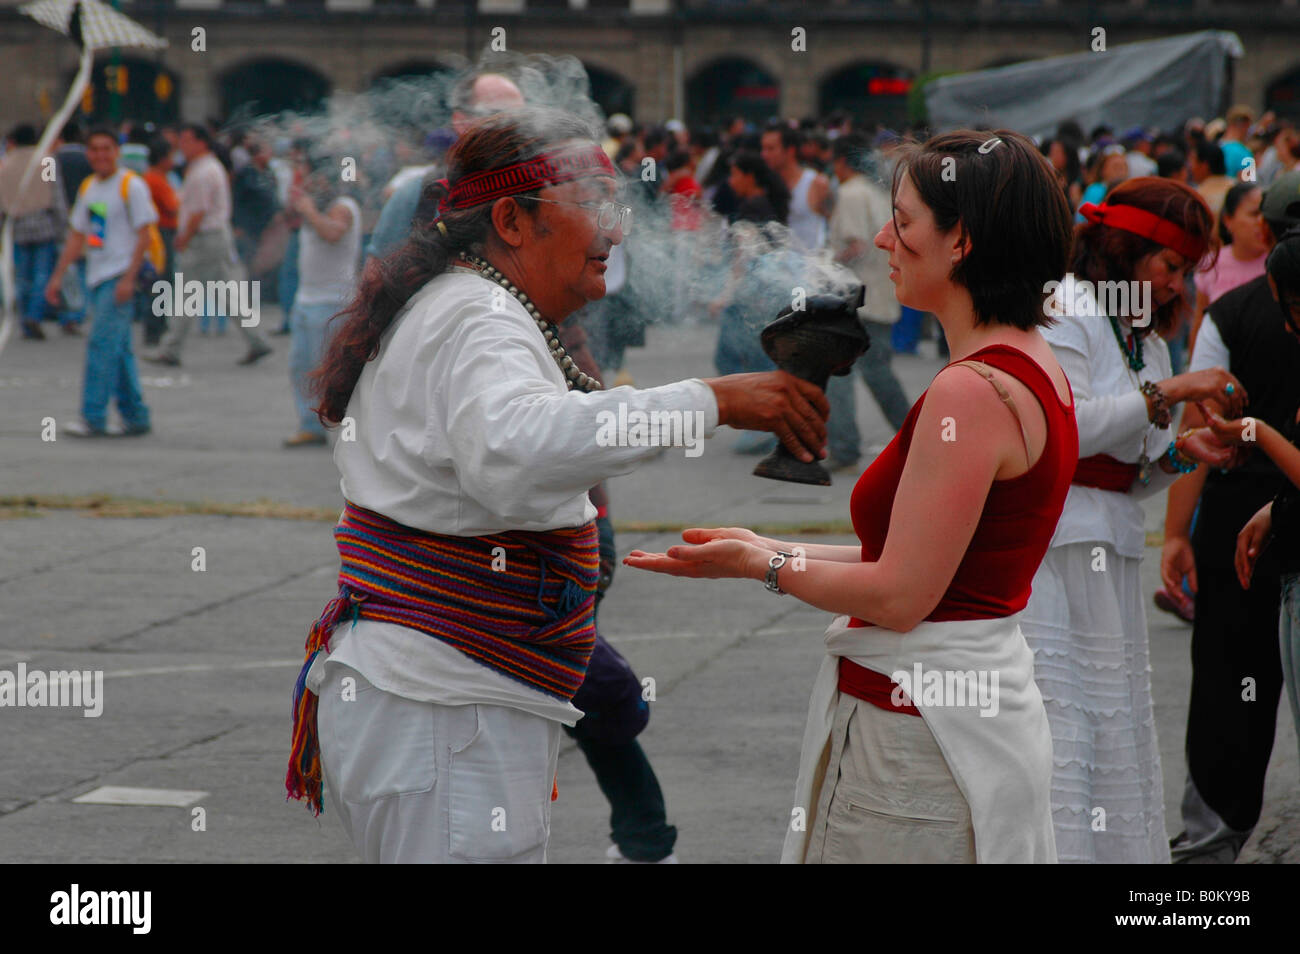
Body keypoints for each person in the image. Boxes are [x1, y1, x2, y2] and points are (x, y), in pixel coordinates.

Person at [285, 107, 831, 863]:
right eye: (592, 204)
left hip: (445, 702)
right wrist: (714, 400)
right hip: (444, 709)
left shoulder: (483, 306)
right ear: (511, 219)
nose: (616, 228)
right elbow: (517, 450)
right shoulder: (480, 316)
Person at [629, 130, 1080, 864]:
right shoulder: (1031, 362)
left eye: (902, 223)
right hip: (959, 721)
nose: (882, 238)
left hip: (917, 741)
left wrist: (761, 568)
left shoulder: (970, 389)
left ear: (961, 240)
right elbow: (915, 561)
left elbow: (900, 594)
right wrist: (765, 547)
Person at [1020, 177, 1236, 863]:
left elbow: (1127, 478)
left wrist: (1180, 455)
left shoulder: (1145, 338)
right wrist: (1170, 395)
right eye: (1170, 267)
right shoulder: (1069, 307)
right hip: (1054, 554)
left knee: (1113, 735)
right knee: (1066, 735)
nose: (1177, 286)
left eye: (1186, 273)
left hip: (1108, 552)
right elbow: (1066, 433)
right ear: (1124, 250)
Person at [1161, 176, 1300, 864]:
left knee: (1228, 692)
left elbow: (1199, 434)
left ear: (1267, 236)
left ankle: (1211, 846)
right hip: (1273, 521)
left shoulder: (1230, 314)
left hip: (1239, 526)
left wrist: (1175, 535)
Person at [1200, 227, 1300, 771]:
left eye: (1294, 308)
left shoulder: (1229, 313)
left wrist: (1256, 432)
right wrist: (1275, 508)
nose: (1287, 324)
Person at [43, 125, 155, 438]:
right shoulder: (90, 187)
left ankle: (92, 417)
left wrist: (129, 278)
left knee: (100, 346)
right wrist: (57, 276)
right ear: (88, 153)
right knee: (118, 350)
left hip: (119, 275)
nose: (100, 155)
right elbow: (79, 235)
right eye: (95, 149)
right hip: (97, 274)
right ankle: (136, 416)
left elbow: (145, 234)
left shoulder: (131, 186)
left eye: (106, 149)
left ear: (116, 151)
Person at [145, 124, 272, 366]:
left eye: (186, 140)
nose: (181, 145)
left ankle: (171, 348)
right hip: (212, 236)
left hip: (204, 237)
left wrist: (184, 236)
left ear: (201, 142)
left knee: (187, 294)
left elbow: (199, 211)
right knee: (223, 293)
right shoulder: (207, 167)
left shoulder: (204, 171)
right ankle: (257, 340)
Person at [823, 133, 910, 472]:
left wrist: (825, 263)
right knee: (878, 372)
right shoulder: (877, 192)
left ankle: (844, 447)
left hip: (856, 297)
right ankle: (914, 436)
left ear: (841, 163)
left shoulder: (849, 193)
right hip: (879, 293)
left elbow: (855, 246)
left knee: (841, 370)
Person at [282, 159, 361, 448]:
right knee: (301, 366)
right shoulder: (311, 210)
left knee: (336, 372)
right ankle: (310, 426)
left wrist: (309, 211)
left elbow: (333, 232)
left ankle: (356, 428)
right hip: (306, 301)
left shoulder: (343, 206)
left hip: (331, 303)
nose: (307, 188)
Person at [1, 123, 67, 339]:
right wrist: (62, 225)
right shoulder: (46, 160)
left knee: (21, 277)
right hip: (43, 225)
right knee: (42, 275)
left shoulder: (5, 164)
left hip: (18, 227)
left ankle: (23, 319)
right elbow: (55, 195)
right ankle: (34, 315)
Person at [760, 123, 829, 252]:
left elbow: (831, 228)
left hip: (809, 266)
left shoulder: (816, 183)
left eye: (770, 149)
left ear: (790, 150)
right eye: (763, 148)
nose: (764, 154)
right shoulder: (764, 185)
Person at [141, 137, 180, 347]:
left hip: (160, 232)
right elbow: (173, 207)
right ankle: (156, 328)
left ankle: (156, 326)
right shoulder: (157, 179)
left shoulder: (152, 177)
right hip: (162, 233)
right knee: (162, 281)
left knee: (160, 281)